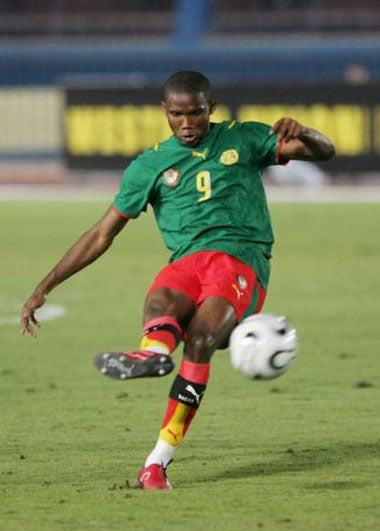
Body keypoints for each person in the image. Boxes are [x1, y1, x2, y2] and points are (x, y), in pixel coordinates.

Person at [21, 71, 335, 490]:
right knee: (162, 299)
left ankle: (158, 460)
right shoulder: (150, 165)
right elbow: (102, 233)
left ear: (212, 109)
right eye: (177, 114)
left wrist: (307, 132)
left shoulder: (243, 138)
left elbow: (324, 152)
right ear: (164, 112)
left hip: (239, 259)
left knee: (203, 336)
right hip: (187, 262)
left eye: (196, 113)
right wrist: (46, 285)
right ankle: (152, 355)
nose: (187, 123)